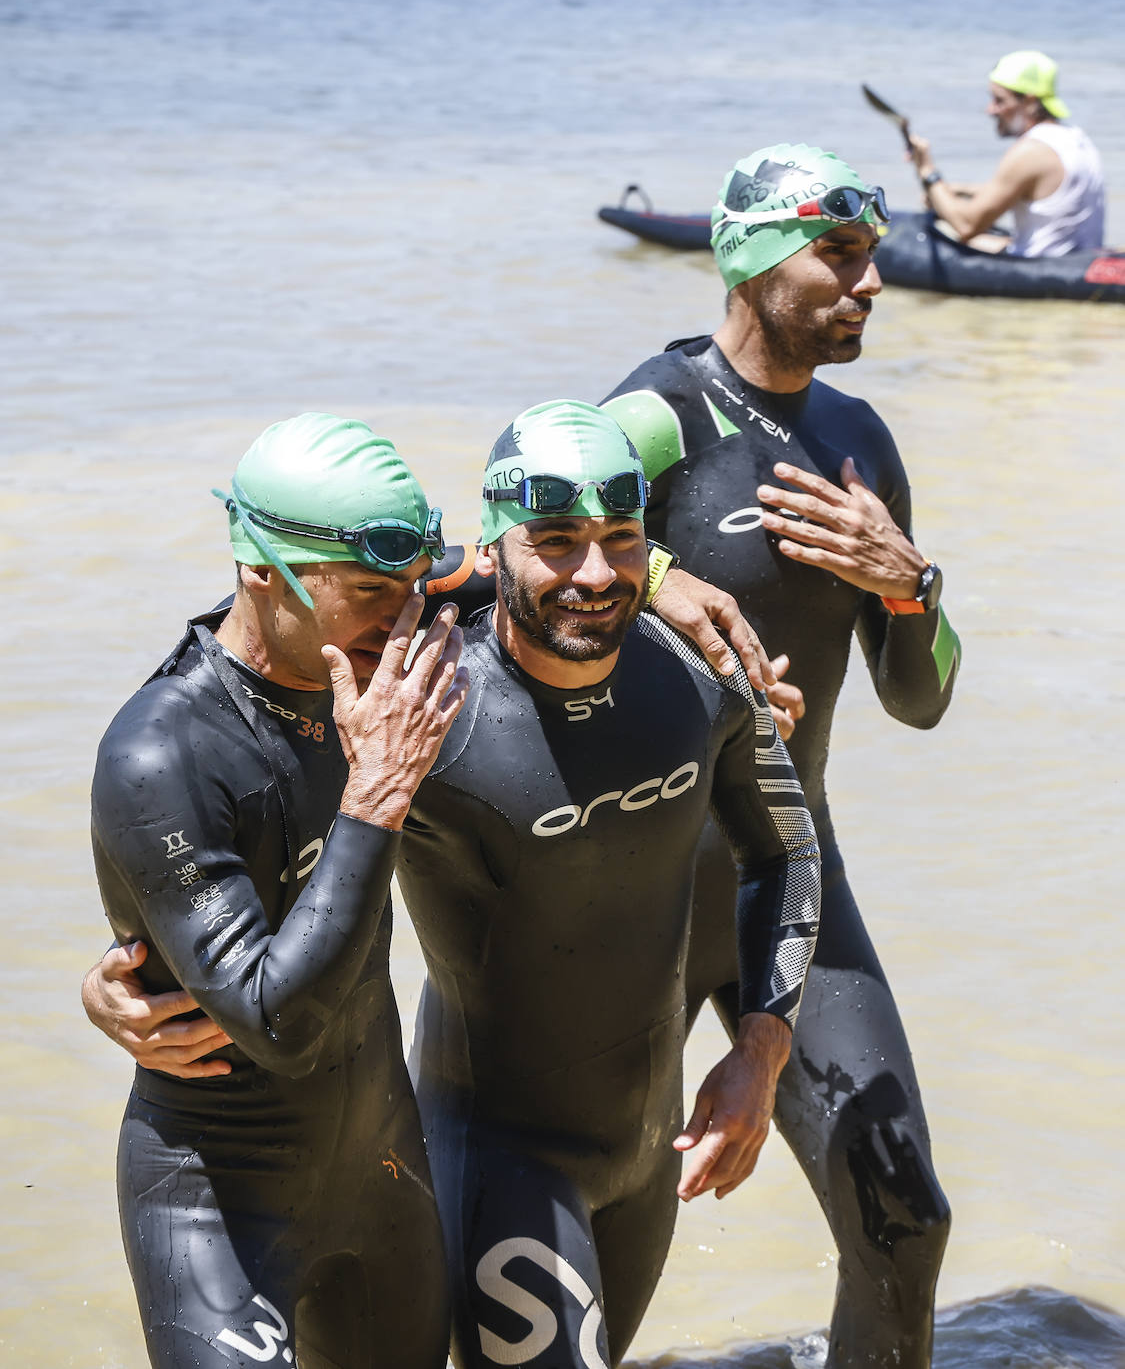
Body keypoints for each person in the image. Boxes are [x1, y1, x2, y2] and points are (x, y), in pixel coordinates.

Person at [602, 143, 962, 1369]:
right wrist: (659, 575)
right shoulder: (659, 411)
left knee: (905, 1222)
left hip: (787, 876)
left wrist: (907, 584)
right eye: (843, 257)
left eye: (874, 259)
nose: (872, 284)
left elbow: (918, 703)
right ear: (754, 263)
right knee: (598, 1256)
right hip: (618, 892)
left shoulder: (860, 440)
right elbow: (510, 537)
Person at [400, 398, 821, 1368]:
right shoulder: (428, 713)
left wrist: (759, 1050)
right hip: (494, 1156)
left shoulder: (700, 675)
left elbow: (786, 853)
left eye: (622, 542)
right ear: (496, 548)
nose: (595, 574)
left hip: (647, 1155)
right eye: (555, 543)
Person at [90, 412, 470, 1367]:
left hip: (383, 1171)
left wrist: (669, 581)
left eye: (414, 588)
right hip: (218, 1198)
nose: (404, 620)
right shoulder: (160, 754)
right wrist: (376, 793)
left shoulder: (381, 649)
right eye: (371, 594)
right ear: (262, 569)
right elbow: (278, 1025)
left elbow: (551, 561)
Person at [908, 50, 1105, 256]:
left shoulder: (1031, 151)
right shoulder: (1076, 139)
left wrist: (927, 170)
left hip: (1040, 270)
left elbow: (966, 226)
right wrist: (959, 190)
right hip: (1079, 261)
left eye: (999, 100)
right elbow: (1032, 190)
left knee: (951, 233)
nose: (990, 110)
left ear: (1029, 102)